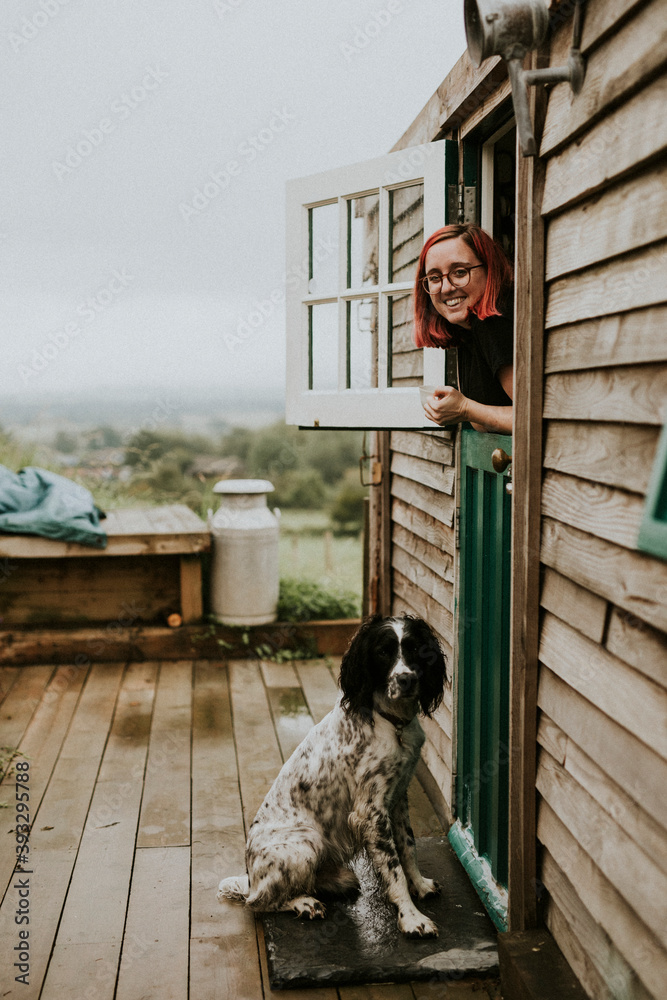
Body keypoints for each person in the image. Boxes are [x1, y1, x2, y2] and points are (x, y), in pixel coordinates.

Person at [413, 223, 514, 434]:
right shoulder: (468, 328)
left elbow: (532, 415)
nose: (447, 287)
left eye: (459, 272)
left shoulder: (493, 323)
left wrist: (464, 408)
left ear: (490, 269)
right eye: (434, 278)